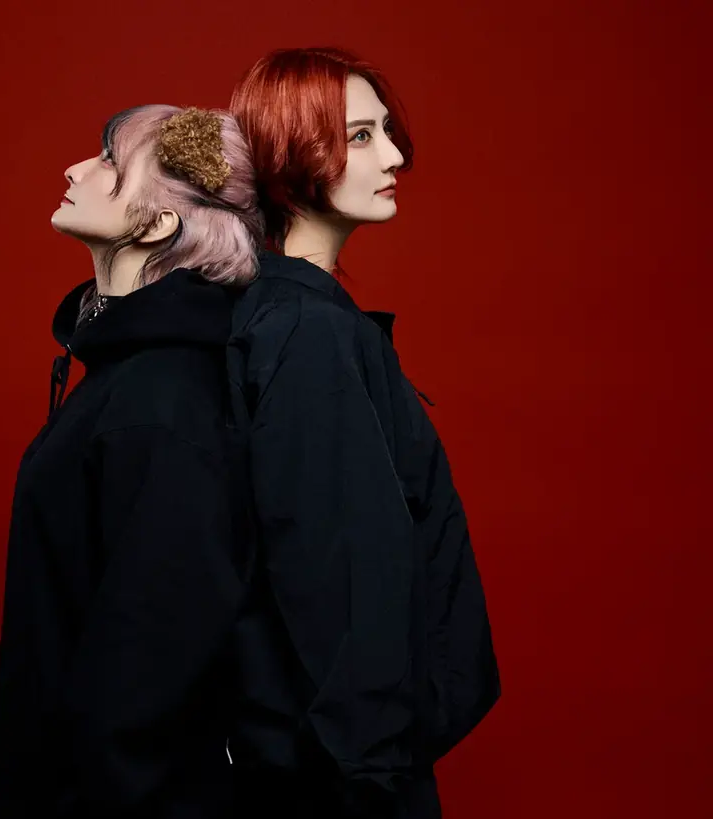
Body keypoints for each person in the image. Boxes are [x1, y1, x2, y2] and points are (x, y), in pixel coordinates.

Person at [225, 47, 500, 818]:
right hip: (347, 783)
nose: (395, 157)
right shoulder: (307, 330)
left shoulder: (291, 316)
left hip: (338, 765)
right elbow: (335, 571)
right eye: (359, 136)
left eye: (385, 132)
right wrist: (373, 771)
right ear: (289, 151)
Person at [0, 105, 264, 819]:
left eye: (109, 161)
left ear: (158, 225)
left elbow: (152, 662)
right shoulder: (127, 377)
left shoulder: (162, 400)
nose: (75, 169)